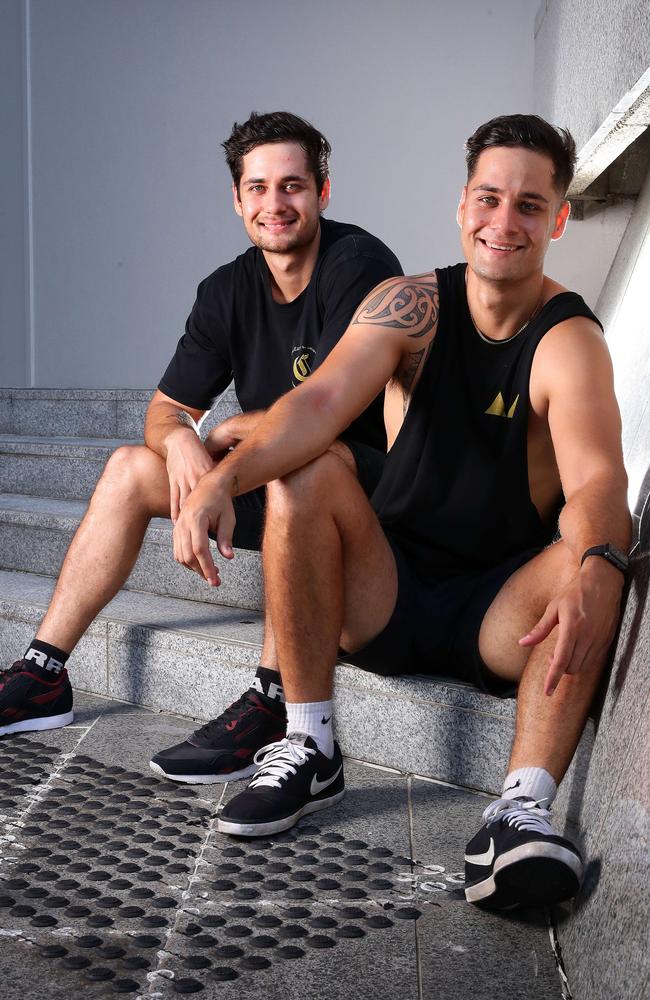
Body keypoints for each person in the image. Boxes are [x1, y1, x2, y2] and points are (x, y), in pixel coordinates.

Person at [170, 114, 631, 910]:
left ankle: (519, 813)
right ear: (461, 207)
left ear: (557, 218)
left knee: (601, 551)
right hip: (386, 589)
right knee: (305, 474)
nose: (504, 221)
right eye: (489, 198)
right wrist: (221, 478)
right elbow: (315, 404)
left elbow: (597, 487)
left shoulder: (568, 339)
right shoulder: (410, 305)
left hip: (499, 611)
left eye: (529, 204)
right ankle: (309, 743)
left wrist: (596, 566)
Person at [0, 111, 403, 787]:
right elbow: (164, 409)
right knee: (131, 467)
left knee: (297, 464)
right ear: (238, 199)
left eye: (293, 186)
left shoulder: (358, 266)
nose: (274, 204)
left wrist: (233, 431)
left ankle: (274, 699)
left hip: (354, 496)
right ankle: (43, 672)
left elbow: (323, 414)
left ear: (323, 192)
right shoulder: (227, 289)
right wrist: (185, 440)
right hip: (261, 473)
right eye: (258, 188)